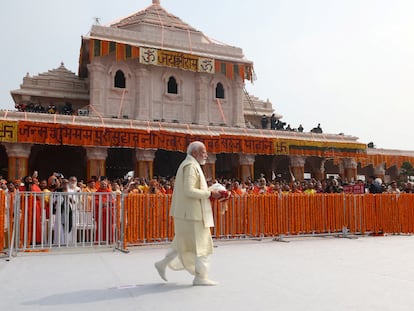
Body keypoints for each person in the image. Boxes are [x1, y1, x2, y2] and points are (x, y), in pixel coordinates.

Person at [154, 141, 222, 286]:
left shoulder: (190, 165)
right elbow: (189, 191)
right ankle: (201, 277)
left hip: (187, 213)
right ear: (195, 153)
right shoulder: (191, 166)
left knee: (181, 243)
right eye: (203, 152)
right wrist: (210, 193)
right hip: (192, 214)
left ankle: (162, 264)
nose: (206, 155)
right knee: (202, 245)